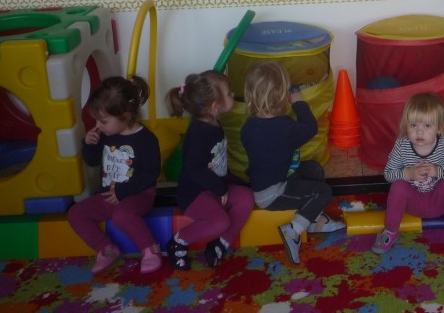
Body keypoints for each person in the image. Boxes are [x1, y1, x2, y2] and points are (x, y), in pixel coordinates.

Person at [240, 62, 345, 265]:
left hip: (273, 181)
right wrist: (298, 103)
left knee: (313, 169)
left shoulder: (249, 126)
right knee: (322, 192)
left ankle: (313, 221)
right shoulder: (284, 127)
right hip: (273, 194)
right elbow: (310, 127)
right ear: (282, 96)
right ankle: (293, 230)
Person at [68, 76, 162, 274]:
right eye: (97, 120)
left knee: (122, 215)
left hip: (139, 194)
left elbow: (150, 175)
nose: (98, 125)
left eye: (103, 121)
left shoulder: (146, 140)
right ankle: (106, 249)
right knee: (76, 213)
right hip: (108, 196)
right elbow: (93, 161)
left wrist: (122, 192)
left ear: (126, 117)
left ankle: (150, 249)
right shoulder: (105, 134)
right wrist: (89, 145)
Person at [372, 92, 444, 254]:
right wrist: (408, 174)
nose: (419, 132)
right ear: (406, 125)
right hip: (412, 204)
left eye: (427, 126)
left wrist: (439, 171)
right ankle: (390, 231)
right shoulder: (402, 146)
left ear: (439, 128)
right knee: (398, 185)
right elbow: (388, 174)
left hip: (438, 203)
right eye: (413, 125)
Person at [165, 70, 254, 269]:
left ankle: (221, 243)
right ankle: (178, 241)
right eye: (229, 94)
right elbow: (195, 168)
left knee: (246, 197)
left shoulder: (213, 123)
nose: (233, 95)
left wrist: (234, 183)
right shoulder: (200, 133)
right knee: (219, 221)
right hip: (195, 193)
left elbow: (217, 162)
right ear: (215, 106)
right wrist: (220, 188)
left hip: (215, 186)